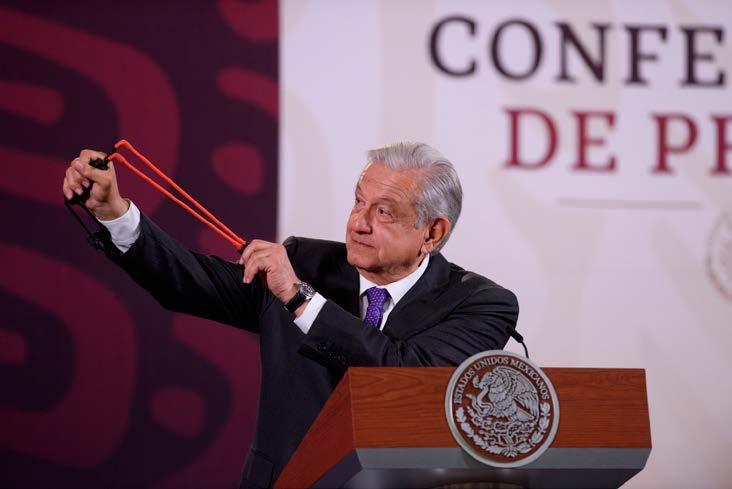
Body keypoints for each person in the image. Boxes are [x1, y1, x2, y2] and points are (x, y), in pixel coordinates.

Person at [62, 142, 519, 488]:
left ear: (432, 232)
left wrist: (300, 298)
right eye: (358, 201)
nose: (358, 223)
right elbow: (193, 282)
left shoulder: (480, 303)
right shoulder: (303, 262)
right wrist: (116, 214)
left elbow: (406, 376)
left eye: (384, 212)